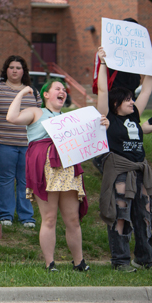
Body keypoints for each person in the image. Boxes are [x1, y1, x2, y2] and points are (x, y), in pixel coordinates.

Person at [6, 78, 107, 272]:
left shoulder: (70, 119)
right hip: (45, 168)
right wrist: (21, 93)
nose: (63, 92)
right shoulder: (37, 112)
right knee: (49, 218)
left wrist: (103, 124)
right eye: (57, 89)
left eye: (64, 89)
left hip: (67, 167)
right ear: (46, 94)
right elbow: (12, 118)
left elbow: (91, 139)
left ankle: (79, 262)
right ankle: (49, 263)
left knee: (72, 219)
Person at [96, 46, 152, 271]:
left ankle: (145, 258)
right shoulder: (107, 117)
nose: (132, 102)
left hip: (140, 172)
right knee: (120, 215)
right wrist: (102, 64)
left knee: (145, 216)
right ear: (116, 103)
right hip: (120, 172)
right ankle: (120, 261)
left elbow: (146, 89)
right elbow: (101, 90)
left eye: (132, 99)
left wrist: (148, 67)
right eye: (128, 100)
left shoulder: (135, 117)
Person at [0, 56, 39, 228]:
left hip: (28, 145)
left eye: (18, 68)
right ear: (6, 70)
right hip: (3, 143)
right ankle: (5, 215)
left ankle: (27, 217)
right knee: (6, 178)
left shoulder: (33, 92)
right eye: (11, 67)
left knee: (25, 180)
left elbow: (39, 119)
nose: (14, 70)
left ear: (24, 71)